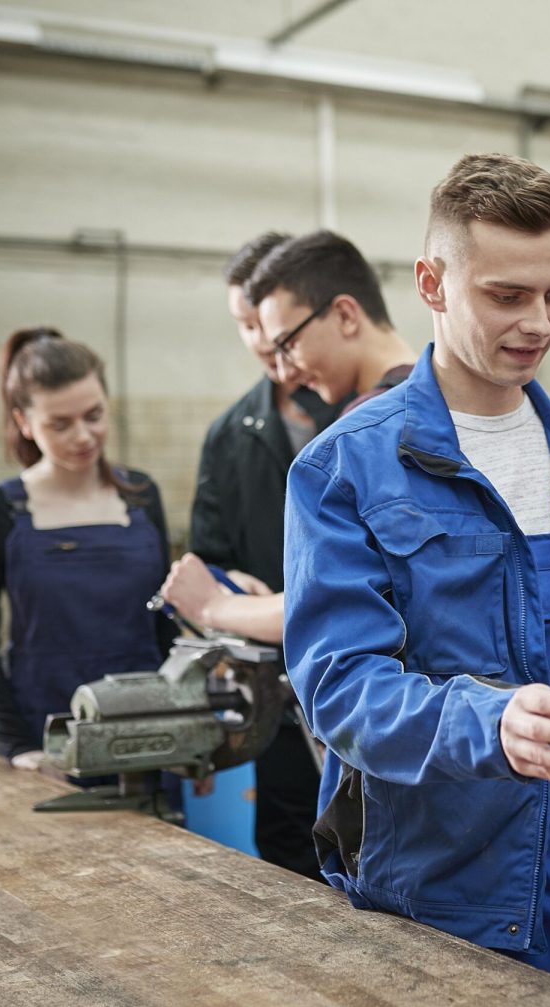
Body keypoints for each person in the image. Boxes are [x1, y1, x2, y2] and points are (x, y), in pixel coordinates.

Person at [282, 154, 550, 978]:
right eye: (507, 295)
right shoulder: (342, 468)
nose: (538, 322)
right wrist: (491, 724)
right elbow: (340, 689)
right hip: (449, 892)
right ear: (431, 282)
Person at [186, 230, 345, 879]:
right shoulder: (228, 438)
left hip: (363, 687)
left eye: (265, 322)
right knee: (288, 858)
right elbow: (208, 566)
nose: (259, 340)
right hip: (276, 701)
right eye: (244, 325)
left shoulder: (359, 414)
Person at [170, 230, 418, 644]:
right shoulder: (434, 397)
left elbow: (333, 602)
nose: (282, 370)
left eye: (287, 343)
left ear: (345, 315)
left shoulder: (367, 427)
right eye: (248, 327)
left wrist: (216, 606)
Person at [0, 328, 176, 769]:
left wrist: (188, 732)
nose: (82, 436)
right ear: (23, 422)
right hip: (49, 742)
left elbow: (165, 627)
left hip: (147, 734)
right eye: (59, 424)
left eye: (94, 415)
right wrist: (19, 746)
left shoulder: (140, 495)